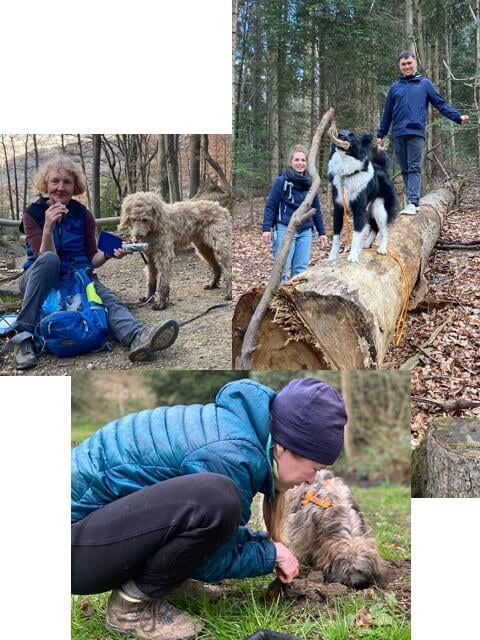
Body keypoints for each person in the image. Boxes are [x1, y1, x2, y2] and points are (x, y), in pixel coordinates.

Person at [71, 377, 347, 640]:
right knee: (218, 498)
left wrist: (268, 548)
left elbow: (205, 532)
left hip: (90, 534)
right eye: (314, 468)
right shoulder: (233, 456)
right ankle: (130, 609)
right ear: (284, 448)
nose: (311, 480)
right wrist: (268, 553)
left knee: (213, 503)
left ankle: (165, 583)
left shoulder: (238, 432)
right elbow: (210, 557)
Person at [5, 156, 178, 369]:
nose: (60, 187)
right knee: (50, 259)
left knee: (106, 297)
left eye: (67, 182)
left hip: (78, 276)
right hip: (38, 278)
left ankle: (138, 337)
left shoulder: (83, 215)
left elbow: (91, 259)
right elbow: (42, 258)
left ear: (74, 186)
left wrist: (107, 253)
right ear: (46, 184)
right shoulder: (32, 214)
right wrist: (48, 227)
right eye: (55, 181)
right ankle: (23, 337)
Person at [376, 50, 469, 215]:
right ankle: (411, 201)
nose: (407, 66)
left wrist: (457, 117)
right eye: (403, 64)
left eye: (409, 63)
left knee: (413, 167)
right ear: (400, 66)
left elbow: (440, 104)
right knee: (405, 169)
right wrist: (380, 134)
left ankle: (412, 201)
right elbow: (387, 113)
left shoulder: (424, 84)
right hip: (398, 133)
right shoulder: (395, 88)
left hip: (416, 132)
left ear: (415, 63)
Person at [262, 145, 327, 282]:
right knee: (282, 269)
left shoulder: (311, 183)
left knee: (300, 270)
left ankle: (294, 301)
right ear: (291, 161)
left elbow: (316, 209)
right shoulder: (282, 180)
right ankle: (276, 300)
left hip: (305, 231)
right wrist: (266, 229)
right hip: (285, 228)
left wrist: (322, 232)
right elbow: (271, 205)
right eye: (296, 159)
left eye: (303, 160)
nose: (300, 163)